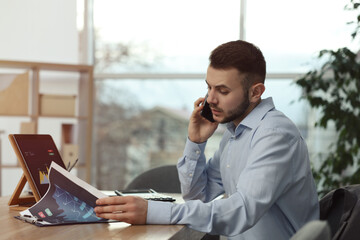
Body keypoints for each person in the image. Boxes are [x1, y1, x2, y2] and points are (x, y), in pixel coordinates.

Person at [94, 40, 319, 239]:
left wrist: (152, 212)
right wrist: (196, 142)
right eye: (209, 87)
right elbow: (197, 196)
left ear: (255, 92)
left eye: (222, 90)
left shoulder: (274, 135)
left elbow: (242, 211)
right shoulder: (235, 133)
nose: (210, 99)